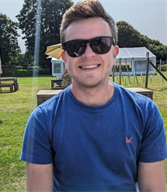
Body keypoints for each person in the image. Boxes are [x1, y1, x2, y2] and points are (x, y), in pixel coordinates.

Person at [21, 0, 167, 191]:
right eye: (76, 46)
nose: (88, 54)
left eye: (100, 44)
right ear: (65, 58)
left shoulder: (146, 113)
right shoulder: (42, 121)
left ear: (114, 54)